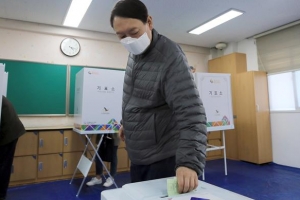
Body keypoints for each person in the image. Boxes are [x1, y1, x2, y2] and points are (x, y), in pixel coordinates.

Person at [110, 0, 207, 194]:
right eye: (121, 36)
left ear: (149, 22)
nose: (129, 40)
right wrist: (127, 123)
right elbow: (137, 96)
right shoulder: (134, 54)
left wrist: (189, 163)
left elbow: (192, 113)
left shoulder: (169, 56)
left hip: (164, 159)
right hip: (138, 156)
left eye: (134, 32)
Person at [0, 96, 26, 200]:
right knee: (3, 164)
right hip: (8, 130)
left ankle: (1, 194)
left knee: (3, 165)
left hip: (9, 132)